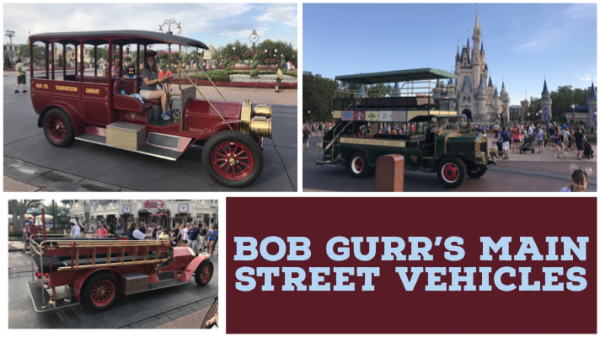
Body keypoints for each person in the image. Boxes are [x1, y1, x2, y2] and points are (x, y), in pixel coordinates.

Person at [140, 51, 172, 120]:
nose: (151, 61)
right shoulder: (145, 70)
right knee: (163, 92)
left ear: (154, 61)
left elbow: (156, 82)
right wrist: (157, 80)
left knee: (167, 91)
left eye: (152, 60)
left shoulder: (155, 71)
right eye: (149, 60)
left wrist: (161, 80)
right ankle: (163, 113)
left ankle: (168, 111)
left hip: (152, 90)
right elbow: (147, 83)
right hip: (145, 92)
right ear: (147, 61)